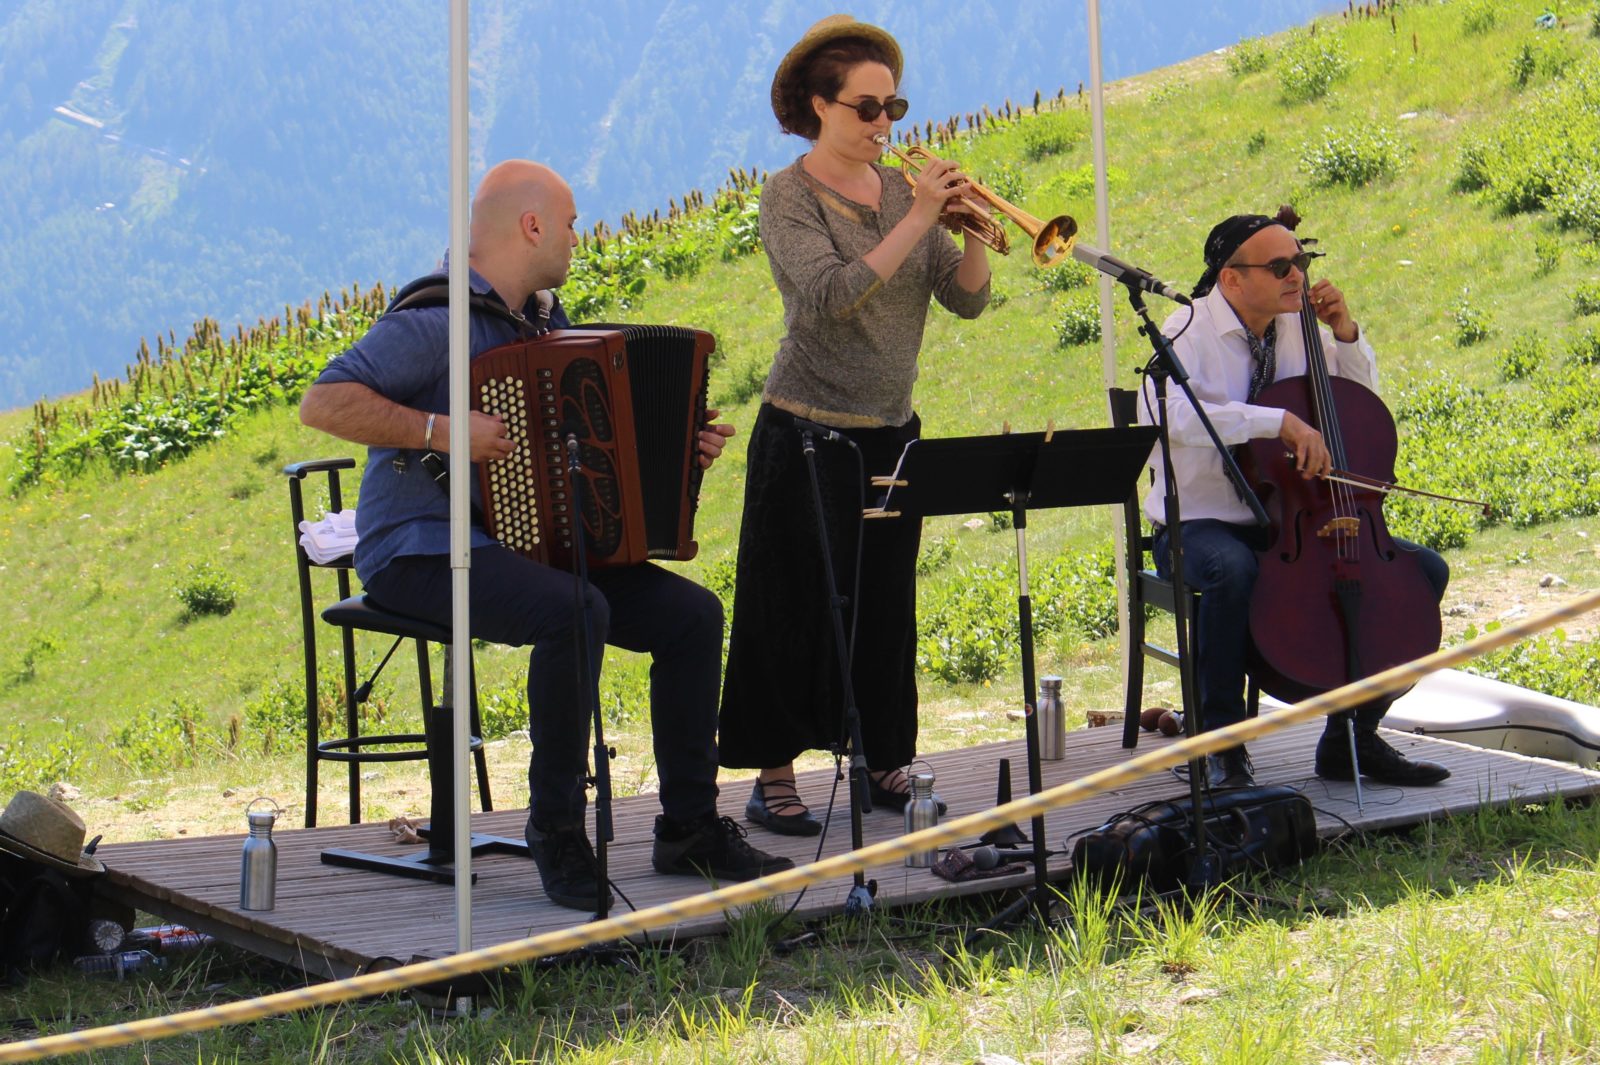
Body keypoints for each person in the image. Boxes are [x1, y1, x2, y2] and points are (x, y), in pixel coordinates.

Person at [299, 160, 792, 912]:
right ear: (530, 225)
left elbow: (593, 446)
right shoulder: (435, 320)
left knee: (693, 618)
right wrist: (441, 429)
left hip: (523, 547)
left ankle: (689, 826)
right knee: (576, 610)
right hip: (418, 550)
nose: (575, 235)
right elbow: (324, 401)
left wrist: (672, 447)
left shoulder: (548, 326)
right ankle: (556, 828)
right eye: (567, 221)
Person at [718, 15, 992, 836]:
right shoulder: (789, 196)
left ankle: (884, 759)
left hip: (889, 427)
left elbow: (966, 298)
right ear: (819, 107)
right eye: (867, 108)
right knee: (788, 601)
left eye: (894, 108)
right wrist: (919, 215)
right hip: (805, 426)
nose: (884, 125)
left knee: (884, 604)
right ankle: (773, 774)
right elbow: (831, 295)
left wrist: (974, 232)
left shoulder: (903, 193)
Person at [1140, 209, 1451, 789]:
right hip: (1204, 523)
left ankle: (1350, 738)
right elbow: (1167, 413)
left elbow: (1358, 401)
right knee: (1232, 571)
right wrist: (1273, 421)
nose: (1298, 277)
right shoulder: (1185, 333)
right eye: (1280, 266)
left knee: (1424, 573)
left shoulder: (1295, 324)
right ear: (1232, 279)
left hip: (1293, 519)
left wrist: (1345, 332)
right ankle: (1220, 745)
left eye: (1301, 263)